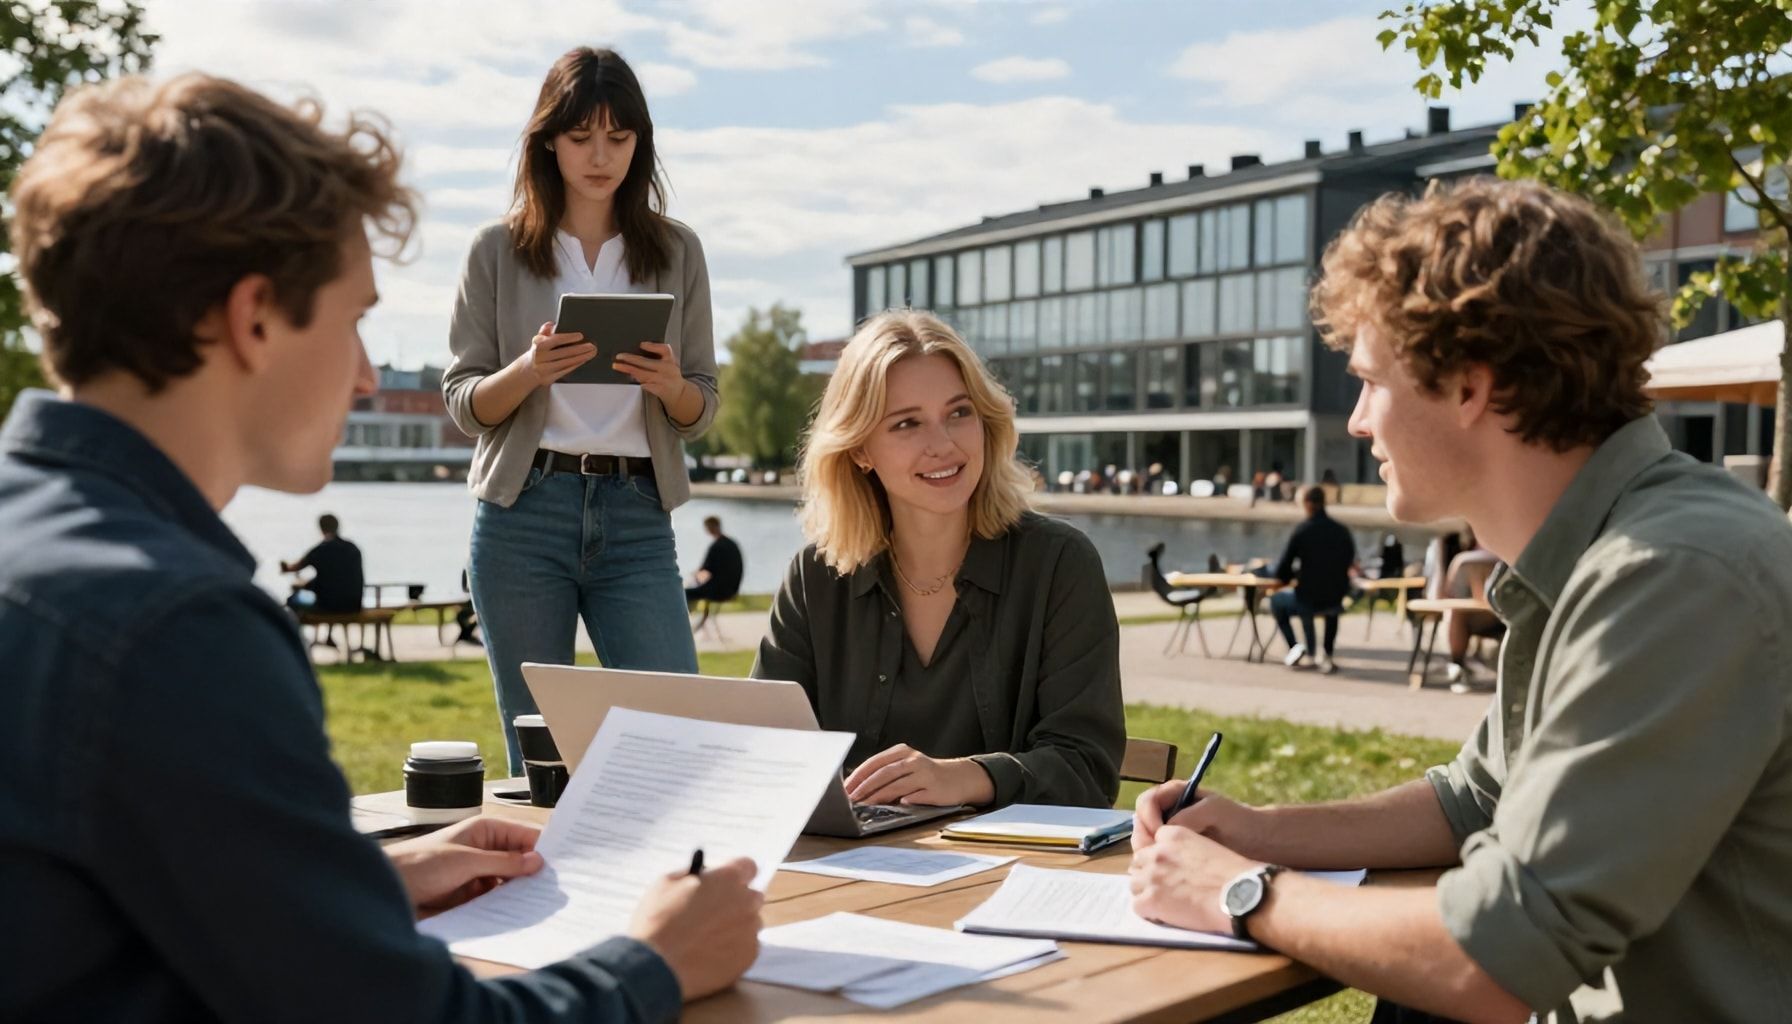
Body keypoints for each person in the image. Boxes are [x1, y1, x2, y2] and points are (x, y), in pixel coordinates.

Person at [0, 73, 760, 1022]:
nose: (364, 375)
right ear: (254, 318)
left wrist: (353, 880)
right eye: (356, 318)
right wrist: (654, 960)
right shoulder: (176, 633)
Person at [1129, 178, 1792, 1022]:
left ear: (1469, 386)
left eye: (1370, 381)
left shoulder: (1670, 573)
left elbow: (1503, 957)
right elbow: (1471, 800)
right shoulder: (1591, 551)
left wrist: (1242, 892)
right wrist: (1254, 829)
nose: (1361, 422)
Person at [444, 47, 720, 775]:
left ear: (641, 143)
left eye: (619, 138)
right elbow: (465, 404)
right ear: (547, 141)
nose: (601, 156)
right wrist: (529, 371)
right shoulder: (496, 251)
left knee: (674, 740)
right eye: (581, 137)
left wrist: (668, 386)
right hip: (522, 516)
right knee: (541, 758)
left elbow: (701, 407)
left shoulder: (676, 250)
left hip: (636, 515)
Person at [753, 310, 1125, 809]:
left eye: (958, 413)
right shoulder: (814, 578)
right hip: (847, 870)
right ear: (860, 449)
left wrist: (969, 778)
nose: (943, 444)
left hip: (1010, 870)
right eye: (907, 423)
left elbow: (1087, 769)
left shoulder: (1059, 564)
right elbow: (763, 753)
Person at [1268, 485, 1356, 674]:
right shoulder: (1342, 531)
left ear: (1307, 503)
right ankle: (1327, 654)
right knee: (1329, 606)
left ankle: (1296, 647)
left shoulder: (1302, 531)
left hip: (1307, 597)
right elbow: (1348, 561)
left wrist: (1293, 576)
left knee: (1276, 602)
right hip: (1335, 596)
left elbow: (1282, 569)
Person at [280, 512, 365, 613]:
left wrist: (284, 566)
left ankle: (293, 628)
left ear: (321, 529)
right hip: (353, 606)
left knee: (292, 600)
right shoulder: (353, 548)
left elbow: (293, 568)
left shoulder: (319, 550)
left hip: (327, 606)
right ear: (337, 527)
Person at [685, 515, 743, 605]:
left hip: (719, 591)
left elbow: (705, 569)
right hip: (732, 589)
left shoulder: (716, 546)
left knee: (685, 592)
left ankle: (683, 617)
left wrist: (693, 576)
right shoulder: (731, 543)